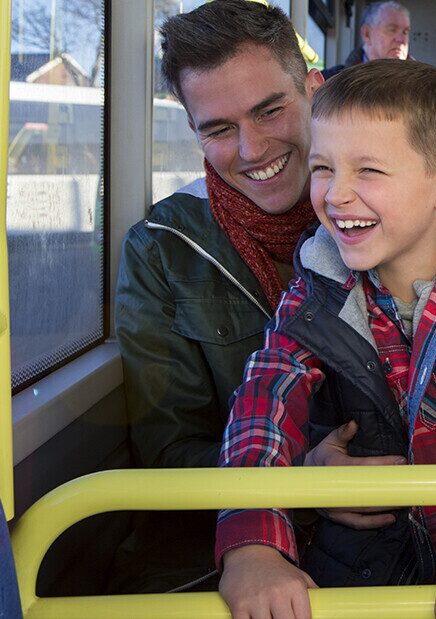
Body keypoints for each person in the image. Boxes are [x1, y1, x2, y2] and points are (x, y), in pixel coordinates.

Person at [215, 59, 436, 619]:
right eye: (322, 167)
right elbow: (264, 401)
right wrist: (254, 544)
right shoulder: (316, 285)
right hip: (371, 572)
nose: (336, 195)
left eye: (368, 172)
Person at [112, 0, 322, 593]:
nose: (252, 150)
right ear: (193, 132)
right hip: (228, 553)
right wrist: (305, 481)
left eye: (270, 111)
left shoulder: (390, 210)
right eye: (220, 129)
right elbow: (169, 453)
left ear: (313, 90)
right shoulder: (162, 249)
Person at [322, 1, 410, 79]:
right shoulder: (326, 83)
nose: (401, 40)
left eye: (405, 32)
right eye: (392, 30)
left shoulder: (422, 87)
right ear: (367, 34)